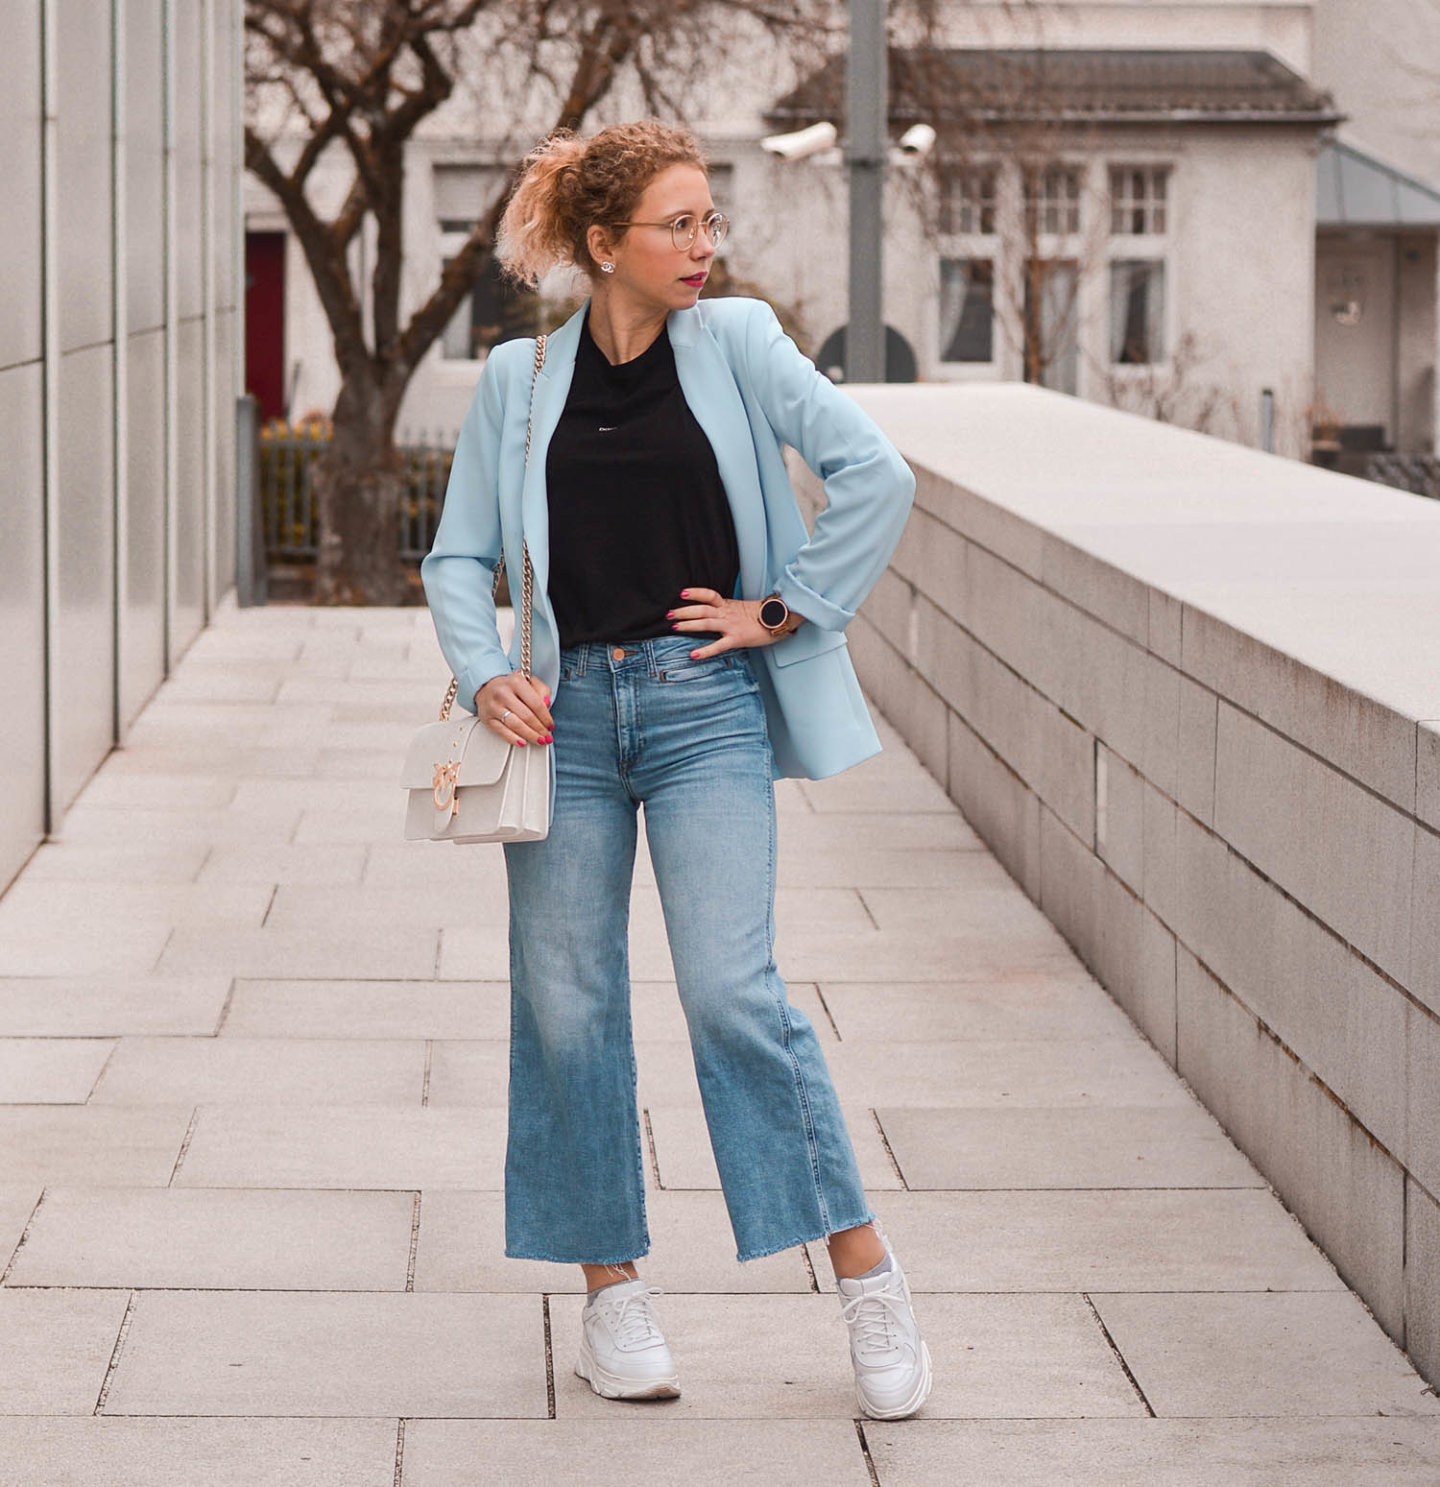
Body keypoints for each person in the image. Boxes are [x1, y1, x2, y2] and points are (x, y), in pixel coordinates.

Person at [421, 119, 930, 1421]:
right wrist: (487, 671)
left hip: (704, 705)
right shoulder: (515, 382)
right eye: (681, 225)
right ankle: (613, 1297)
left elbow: (875, 470)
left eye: (713, 222)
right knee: (571, 1004)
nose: (708, 247)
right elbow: (457, 558)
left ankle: (866, 1273)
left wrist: (785, 608)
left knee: (731, 994)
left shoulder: (744, 344)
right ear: (605, 245)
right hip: (563, 723)